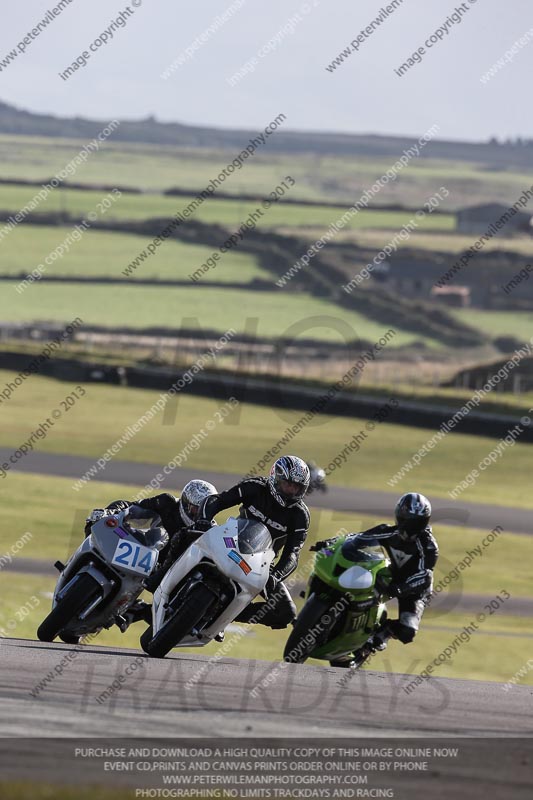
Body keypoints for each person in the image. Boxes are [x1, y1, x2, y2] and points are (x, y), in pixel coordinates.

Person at [316, 492, 438, 668]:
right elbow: (357, 538)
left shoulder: (428, 545)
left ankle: (380, 636)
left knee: (407, 631)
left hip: (414, 588)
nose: (409, 527)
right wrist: (330, 543)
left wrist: (400, 589)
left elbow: (425, 576)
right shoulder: (388, 532)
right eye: (406, 520)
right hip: (391, 574)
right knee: (359, 581)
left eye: (416, 522)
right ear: (399, 517)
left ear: (424, 522)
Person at [196, 455, 311, 630]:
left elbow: (293, 554)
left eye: (296, 487)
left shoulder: (300, 515)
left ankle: (225, 615)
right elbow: (219, 501)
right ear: (276, 477)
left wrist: (276, 575)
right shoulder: (255, 487)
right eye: (288, 484)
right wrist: (204, 520)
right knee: (186, 535)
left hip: (260, 564)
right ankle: (158, 579)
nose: (291, 490)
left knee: (285, 613)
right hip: (229, 542)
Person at [85, 479, 217, 629]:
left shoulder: (211, 531)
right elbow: (133, 506)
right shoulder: (167, 502)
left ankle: (135, 611)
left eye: (204, 510)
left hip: (168, 572)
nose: (198, 514)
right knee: (96, 520)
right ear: (185, 502)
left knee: (171, 614)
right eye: (195, 509)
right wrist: (112, 512)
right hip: (146, 547)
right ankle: (87, 561)